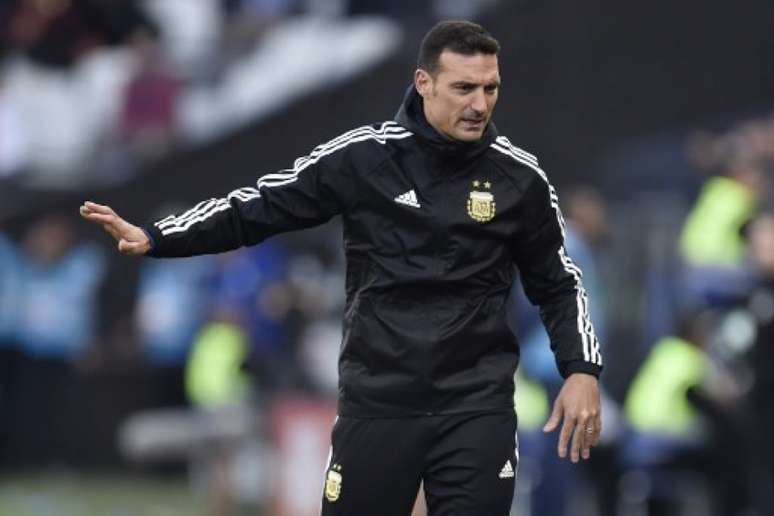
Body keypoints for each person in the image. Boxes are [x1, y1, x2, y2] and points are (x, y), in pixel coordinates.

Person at [81, 20, 603, 515]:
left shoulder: (519, 179)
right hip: (379, 402)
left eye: (490, 89)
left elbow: (559, 284)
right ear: (424, 82)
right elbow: (260, 207)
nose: (480, 104)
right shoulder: (364, 159)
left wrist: (580, 370)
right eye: (464, 88)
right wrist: (159, 237)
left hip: (476, 406)